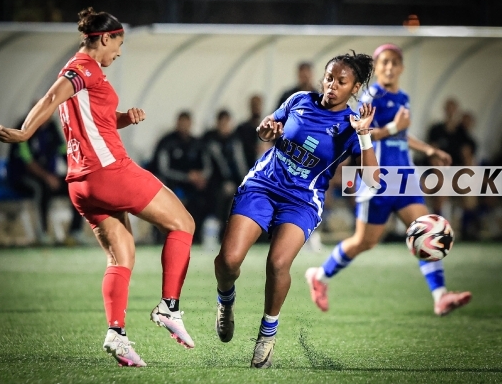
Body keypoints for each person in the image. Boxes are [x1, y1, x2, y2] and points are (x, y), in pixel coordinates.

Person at [0, 7, 195, 368]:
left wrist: (125, 118)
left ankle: (116, 335)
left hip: (81, 183)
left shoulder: (86, 74)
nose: (118, 52)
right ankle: (169, 307)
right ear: (103, 38)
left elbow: (96, 119)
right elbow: (51, 97)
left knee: (122, 256)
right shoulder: (83, 68)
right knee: (183, 223)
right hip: (109, 171)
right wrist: (25, 132)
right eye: (118, 44)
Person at [214, 50, 379, 369]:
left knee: (278, 263)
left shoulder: (352, 125)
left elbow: (372, 181)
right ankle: (225, 301)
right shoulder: (299, 100)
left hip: (301, 200)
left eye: (341, 81)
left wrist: (364, 135)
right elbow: (266, 129)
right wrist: (266, 131)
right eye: (329, 78)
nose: (332, 85)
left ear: (355, 88)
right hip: (263, 185)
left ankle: (266, 336)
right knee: (228, 261)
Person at [305, 43, 472, 319]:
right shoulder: (372, 95)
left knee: (426, 230)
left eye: (395, 62)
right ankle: (319, 276)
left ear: (402, 67)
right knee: (364, 242)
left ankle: (440, 296)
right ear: (378, 67)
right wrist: (394, 127)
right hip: (379, 180)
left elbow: (401, 135)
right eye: (384, 62)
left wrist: (428, 149)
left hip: (405, 177)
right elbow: (362, 132)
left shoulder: (403, 96)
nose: (390, 67)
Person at [7, 114, 85, 245]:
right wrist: (47, 177)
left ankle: (75, 232)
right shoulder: (23, 129)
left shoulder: (51, 129)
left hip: (49, 177)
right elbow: (28, 162)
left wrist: (77, 171)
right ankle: (42, 233)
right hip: (22, 177)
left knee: (77, 186)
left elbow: (63, 152)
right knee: (41, 188)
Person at [148, 110, 210, 244]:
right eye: (182, 123)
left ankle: (197, 236)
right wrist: (187, 177)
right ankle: (161, 238)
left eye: (187, 123)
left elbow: (207, 167)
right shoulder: (166, 142)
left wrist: (200, 177)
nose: (184, 126)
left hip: (193, 187)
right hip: (171, 184)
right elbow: (163, 170)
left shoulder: (197, 144)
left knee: (205, 197)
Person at [201, 109, 249, 242]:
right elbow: (209, 168)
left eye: (226, 123)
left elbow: (240, 164)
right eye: (222, 123)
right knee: (218, 199)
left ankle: (236, 235)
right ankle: (215, 233)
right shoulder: (209, 140)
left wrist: (244, 183)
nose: (224, 127)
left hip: (235, 182)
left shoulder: (235, 141)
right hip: (215, 183)